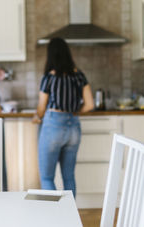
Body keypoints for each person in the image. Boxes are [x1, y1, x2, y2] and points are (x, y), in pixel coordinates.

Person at [33, 37, 94, 197]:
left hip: (53, 126)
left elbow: (41, 107)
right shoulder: (79, 76)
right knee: (68, 177)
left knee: (47, 178)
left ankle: (54, 219)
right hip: (73, 127)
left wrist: (37, 117)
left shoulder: (49, 77)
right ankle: (70, 218)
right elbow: (89, 105)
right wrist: (75, 110)